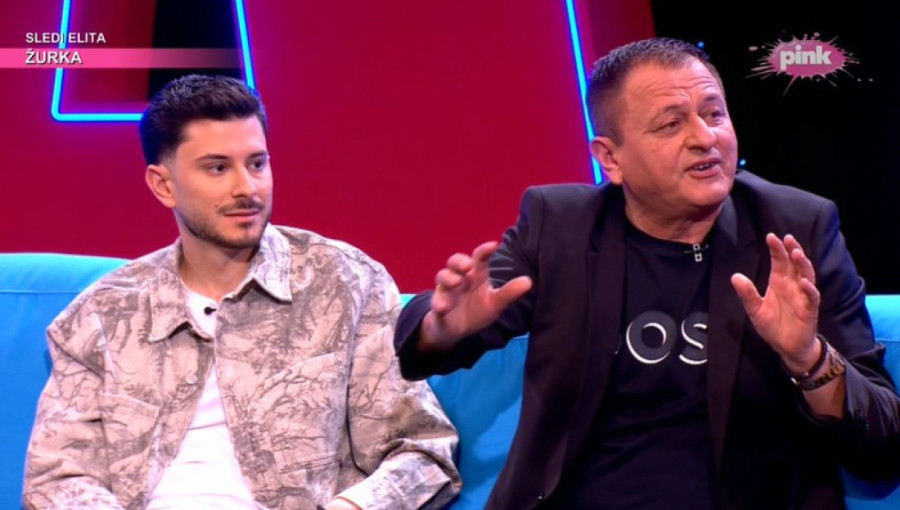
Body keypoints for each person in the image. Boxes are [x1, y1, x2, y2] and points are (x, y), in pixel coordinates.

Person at [394, 37, 900, 509]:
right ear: (610, 158)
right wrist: (444, 326)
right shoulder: (562, 228)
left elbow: (883, 445)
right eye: (670, 125)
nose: (704, 138)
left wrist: (808, 358)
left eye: (714, 114)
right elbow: (424, 338)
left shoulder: (795, 230)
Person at [23, 75, 460, 510]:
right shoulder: (103, 314)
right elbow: (55, 478)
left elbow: (422, 452)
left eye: (257, 164)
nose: (247, 189)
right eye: (218, 168)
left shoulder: (345, 283)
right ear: (163, 185)